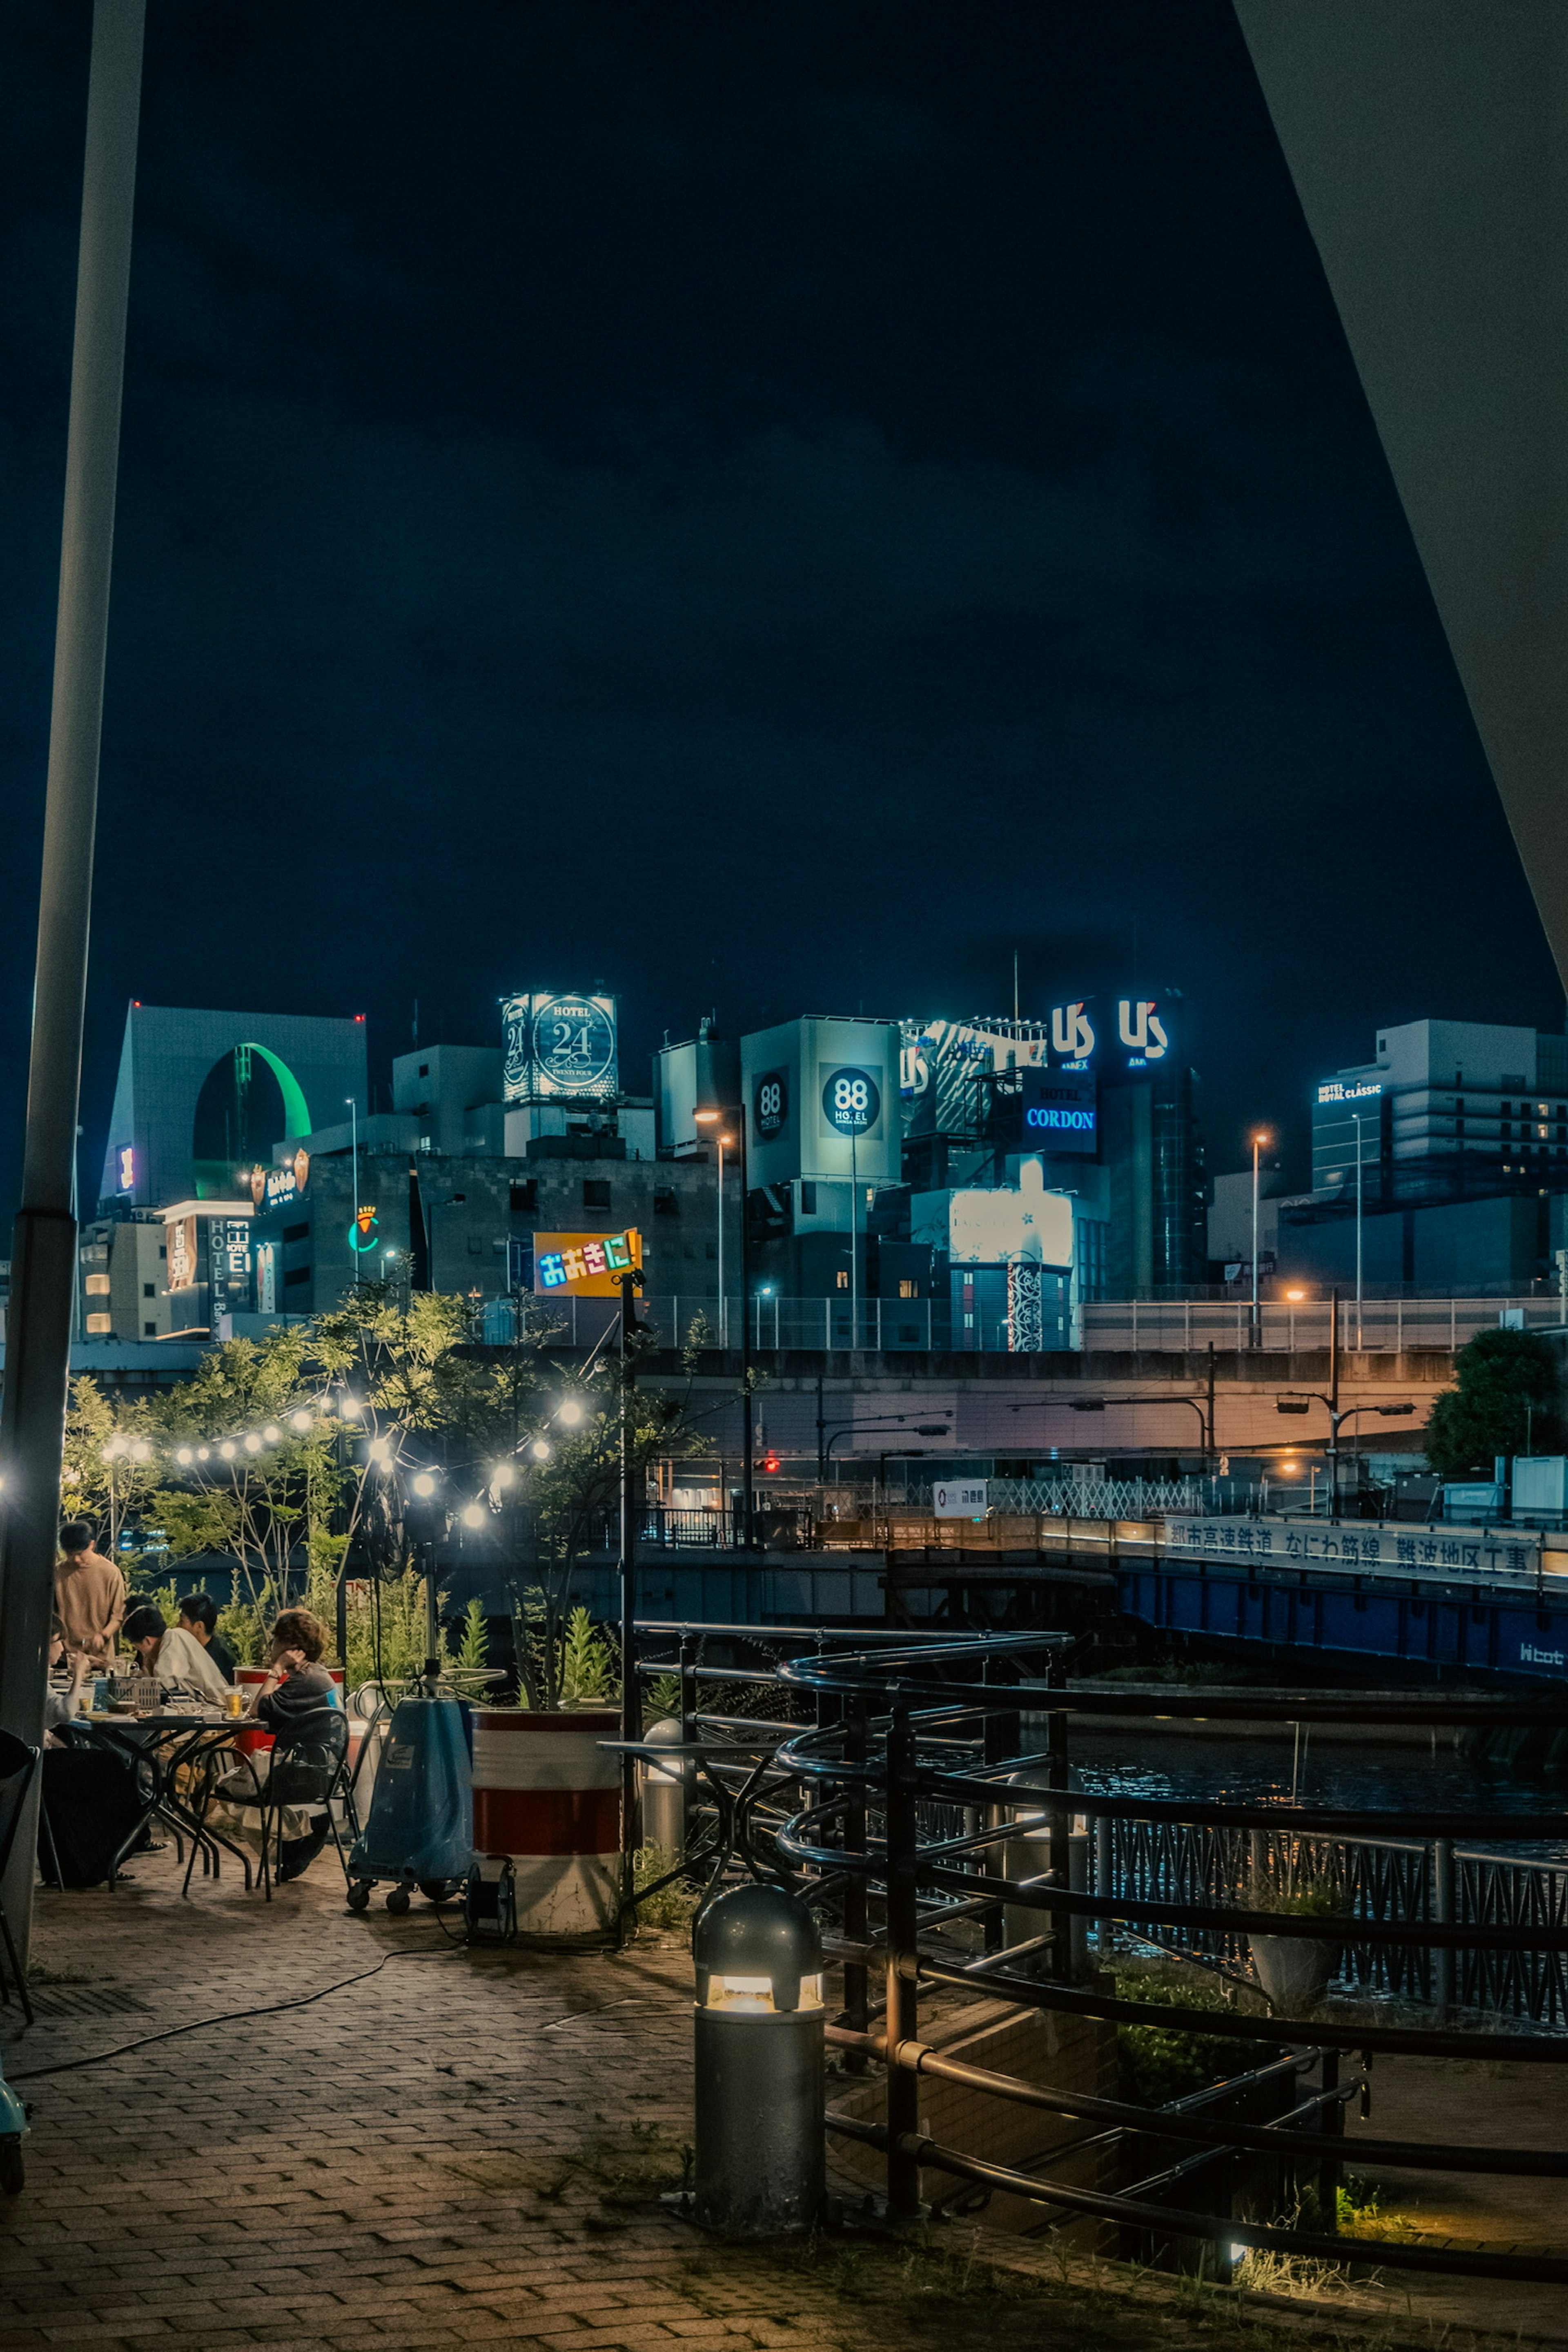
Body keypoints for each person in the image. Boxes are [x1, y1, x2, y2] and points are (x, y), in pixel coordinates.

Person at [227, 1609, 341, 1881]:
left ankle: (301, 1836)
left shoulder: (305, 1681)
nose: (271, 1649)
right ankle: (300, 1836)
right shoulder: (314, 1675)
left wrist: (276, 1669)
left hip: (309, 1773)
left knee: (231, 1785)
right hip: (323, 1768)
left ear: (290, 1647)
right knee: (243, 1780)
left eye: (275, 1642)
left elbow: (257, 1710)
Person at [121, 1603, 232, 1705]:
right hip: (202, 1710)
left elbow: (164, 1684)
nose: (142, 1653)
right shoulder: (171, 1641)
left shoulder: (174, 1637)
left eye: (137, 1647)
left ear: (147, 1641)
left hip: (215, 1710)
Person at [53, 1521, 125, 1669]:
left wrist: (103, 1635)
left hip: (99, 1657)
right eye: (69, 1554)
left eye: (80, 1554)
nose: (75, 1559)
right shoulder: (57, 1573)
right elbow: (50, 1615)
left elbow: (119, 1615)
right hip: (65, 1657)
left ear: (92, 1545)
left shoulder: (110, 1572)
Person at [177, 1591, 237, 1684]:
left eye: (182, 1621)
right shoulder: (198, 1649)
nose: (177, 1626)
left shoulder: (220, 1657)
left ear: (199, 1627)